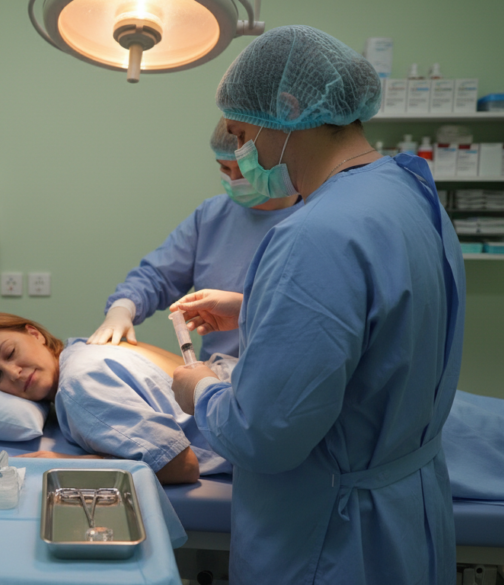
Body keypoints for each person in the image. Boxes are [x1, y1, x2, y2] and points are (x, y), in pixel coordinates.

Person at [168, 25, 465, 585]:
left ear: (286, 108)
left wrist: (200, 389)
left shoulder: (314, 234)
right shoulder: (409, 191)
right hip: (405, 511)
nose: (238, 150)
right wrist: (256, 308)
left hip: (332, 535)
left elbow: (264, 433)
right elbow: (383, 324)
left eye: (238, 132)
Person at [88, 118, 302, 359]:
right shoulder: (212, 216)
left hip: (284, 374)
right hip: (216, 379)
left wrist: (247, 307)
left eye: (243, 171)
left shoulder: (311, 220)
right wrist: (122, 308)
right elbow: (158, 275)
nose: (233, 179)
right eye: (224, 167)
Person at [0, 312, 231, 485]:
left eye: (10, 353)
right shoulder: (82, 348)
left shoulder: (78, 386)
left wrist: (71, 463)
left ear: (35, 333)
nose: (14, 374)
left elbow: (180, 466)